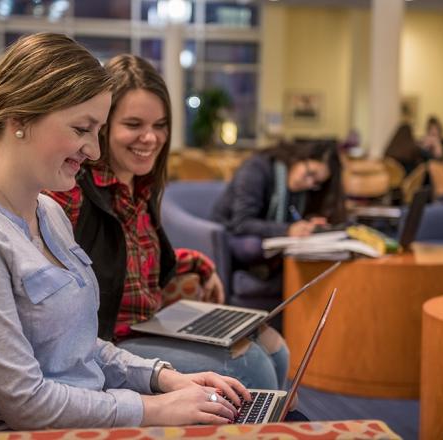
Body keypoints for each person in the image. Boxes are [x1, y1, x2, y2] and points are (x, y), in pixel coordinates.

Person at [0, 33, 250, 432]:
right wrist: (153, 409)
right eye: (81, 129)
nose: (94, 150)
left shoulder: (48, 211)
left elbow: (79, 349)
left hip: (92, 417)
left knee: (249, 414)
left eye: (98, 131)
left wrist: (164, 377)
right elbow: (27, 404)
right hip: (38, 431)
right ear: (20, 119)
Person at [46, 54, 289, 391]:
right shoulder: (72, 190)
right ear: (102, 126)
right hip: (108, 344)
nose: (150, 138)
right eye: (134, 125)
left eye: (159, 126)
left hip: (147, 326)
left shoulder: (140, 186)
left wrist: (198, 263)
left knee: (275, 347)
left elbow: (133, 261)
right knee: (251, 368)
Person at [211, 141, 346, 301]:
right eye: (310, 174)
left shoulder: (298, 189)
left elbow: (290, 217)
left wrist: (308, 223)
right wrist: (288, 230)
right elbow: (242, 223)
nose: (309, 183)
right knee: (252, 247)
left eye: (316, 183)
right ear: (299, 158)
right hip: (231, 231)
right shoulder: (257, 168)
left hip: (266, 239)